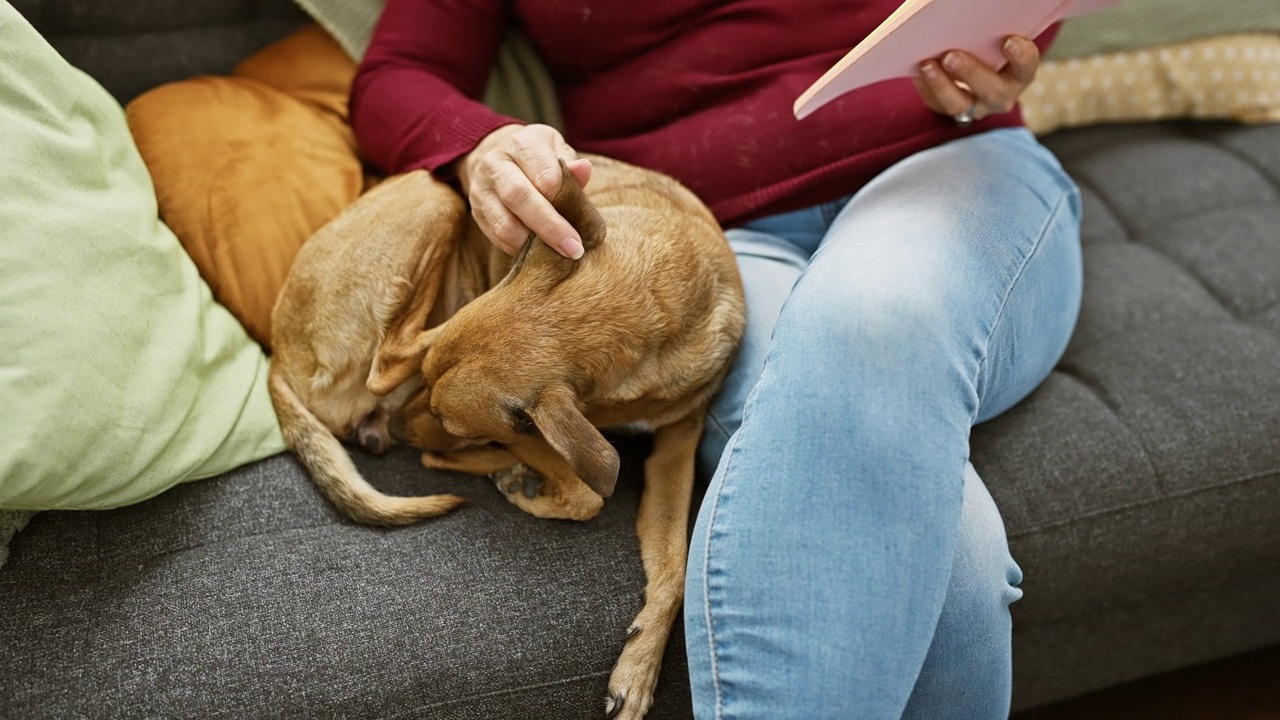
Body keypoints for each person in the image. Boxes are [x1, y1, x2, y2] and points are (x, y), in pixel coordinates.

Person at [349, 2, 1082, 718]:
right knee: (957, 562)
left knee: (869, 317)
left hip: (949, 168)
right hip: (716, 250)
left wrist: (999, 47)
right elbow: (397, 74)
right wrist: (484, 146)